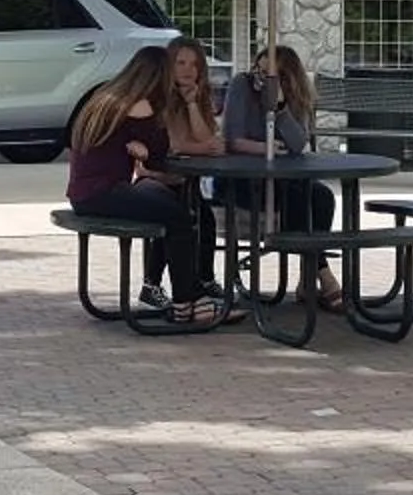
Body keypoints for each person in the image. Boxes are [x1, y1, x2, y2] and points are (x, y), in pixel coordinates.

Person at [68, 47, 227, 325]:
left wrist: (143, 149)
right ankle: (186, 301)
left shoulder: (105, 97)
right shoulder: (140, 105)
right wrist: (146, 150)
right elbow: (160, 155)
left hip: (84, 194)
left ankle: (188, 297)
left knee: (175, 212)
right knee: (180, 217)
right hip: (106, 192)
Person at [220, 43, 348, 311]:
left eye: (269, 75)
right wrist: (265, 148)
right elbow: (231, 139)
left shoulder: (292, 97)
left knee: (321, 196)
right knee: (297, 194)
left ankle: (307, 276)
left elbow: (298, 142)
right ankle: (323, 273)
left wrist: (279, 109)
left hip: (283, 179)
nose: (261, 79)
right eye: (259, 70)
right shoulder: (241, 86)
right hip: (243, 180)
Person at [143, 37, 229, 310]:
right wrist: (203, 147)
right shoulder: (155, 99)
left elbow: (209, 139)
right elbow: (171, 145)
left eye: (194, 64)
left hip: (185, 180)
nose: (187, 70)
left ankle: (205, 278)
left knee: (205, 221)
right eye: (180, 62)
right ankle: (151, 284)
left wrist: (192, 104)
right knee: (171, 215)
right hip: (153, 176)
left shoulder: (198, 97)